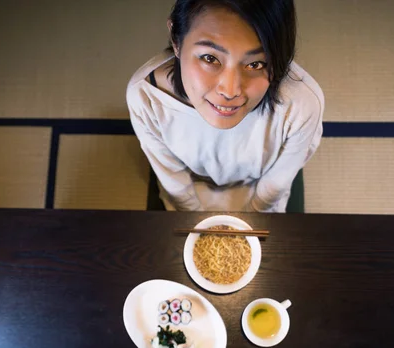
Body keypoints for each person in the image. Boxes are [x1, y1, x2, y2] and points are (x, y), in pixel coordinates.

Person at [126, 0, 324, 213]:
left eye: (255, 64)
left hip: (260, 191)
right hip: (189, 192)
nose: (230, 91)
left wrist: (250, 219)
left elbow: (275, 184)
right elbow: (173, 179)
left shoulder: (302, 105)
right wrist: (195, 217)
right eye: (210, 58)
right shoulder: (146, 96)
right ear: (176, 39)